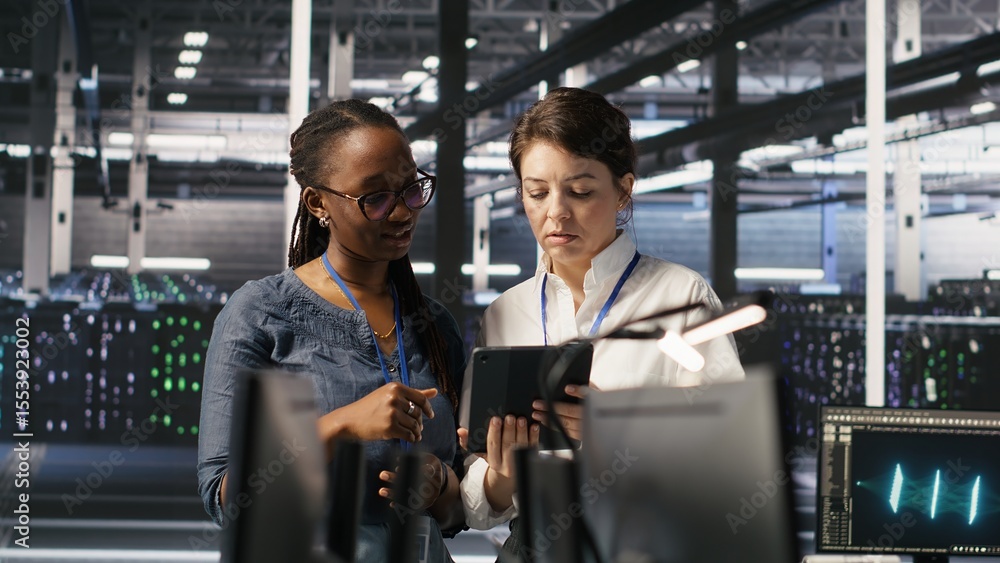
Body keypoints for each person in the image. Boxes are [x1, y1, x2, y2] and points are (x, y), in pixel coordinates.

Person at [457, 87, 746, 556]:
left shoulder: (680, 298)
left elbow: (733, 461)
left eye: (580, 191)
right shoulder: (506, 312)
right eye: (537, 193)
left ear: (623, 190)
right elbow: (478, 505)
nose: (556, 212)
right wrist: (501, 473)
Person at [197, 99, 467, 562]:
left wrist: (441, 485)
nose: (402, 213)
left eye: (410, 189)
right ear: (318, 202)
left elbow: (460, 510)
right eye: (375, 198)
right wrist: (341, 426)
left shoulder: (435, 326)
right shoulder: (261, 313)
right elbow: (224, 498)